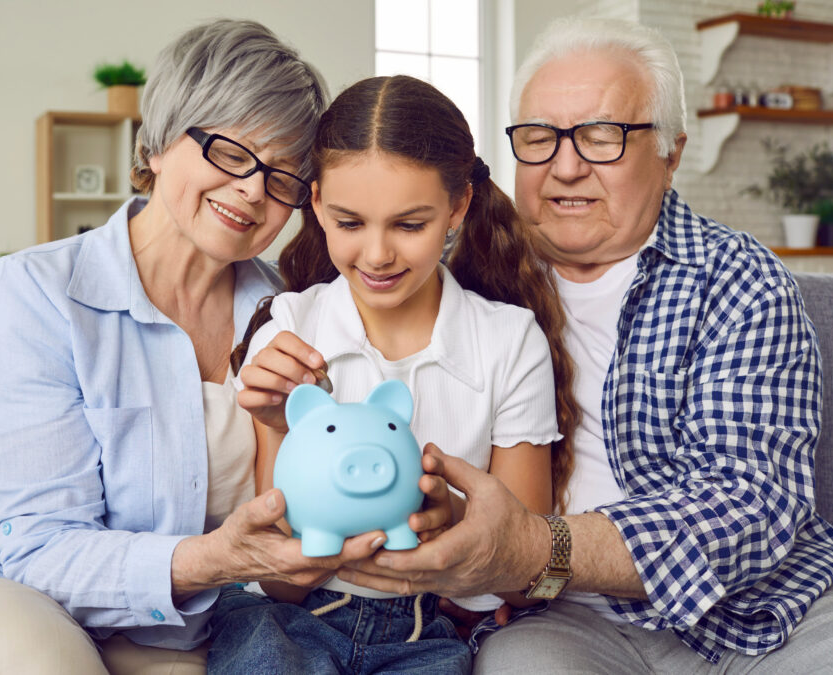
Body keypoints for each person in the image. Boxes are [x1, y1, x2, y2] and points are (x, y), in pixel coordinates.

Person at [0, 19, 418, 675]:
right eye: (229, 151)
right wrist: (222, 557)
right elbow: (41, 549)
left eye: (282, 175)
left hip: (174, 626)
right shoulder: (37, 290)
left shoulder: (297, 313)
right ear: (162, 142)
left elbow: (315, 498)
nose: (253, 188)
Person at [335, 17, 833, 673]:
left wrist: (535, 546)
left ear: (671, 152)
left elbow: (747, 504)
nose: (567, 166)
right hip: (562, 615)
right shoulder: (458, 282)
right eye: (540, 137)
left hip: (767, 612)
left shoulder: (739, 282)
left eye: (603, 135)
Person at [206, 74, 579, 674]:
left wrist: (456, 521)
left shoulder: (509, 343)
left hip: (424, 626)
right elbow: (280, 585)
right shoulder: (289, 328)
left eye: (410, 225)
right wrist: (278, 427)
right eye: (351, 223)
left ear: (458, 206)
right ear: (318, 202)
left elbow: (521, 577)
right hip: (291, 619)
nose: (377, 255)